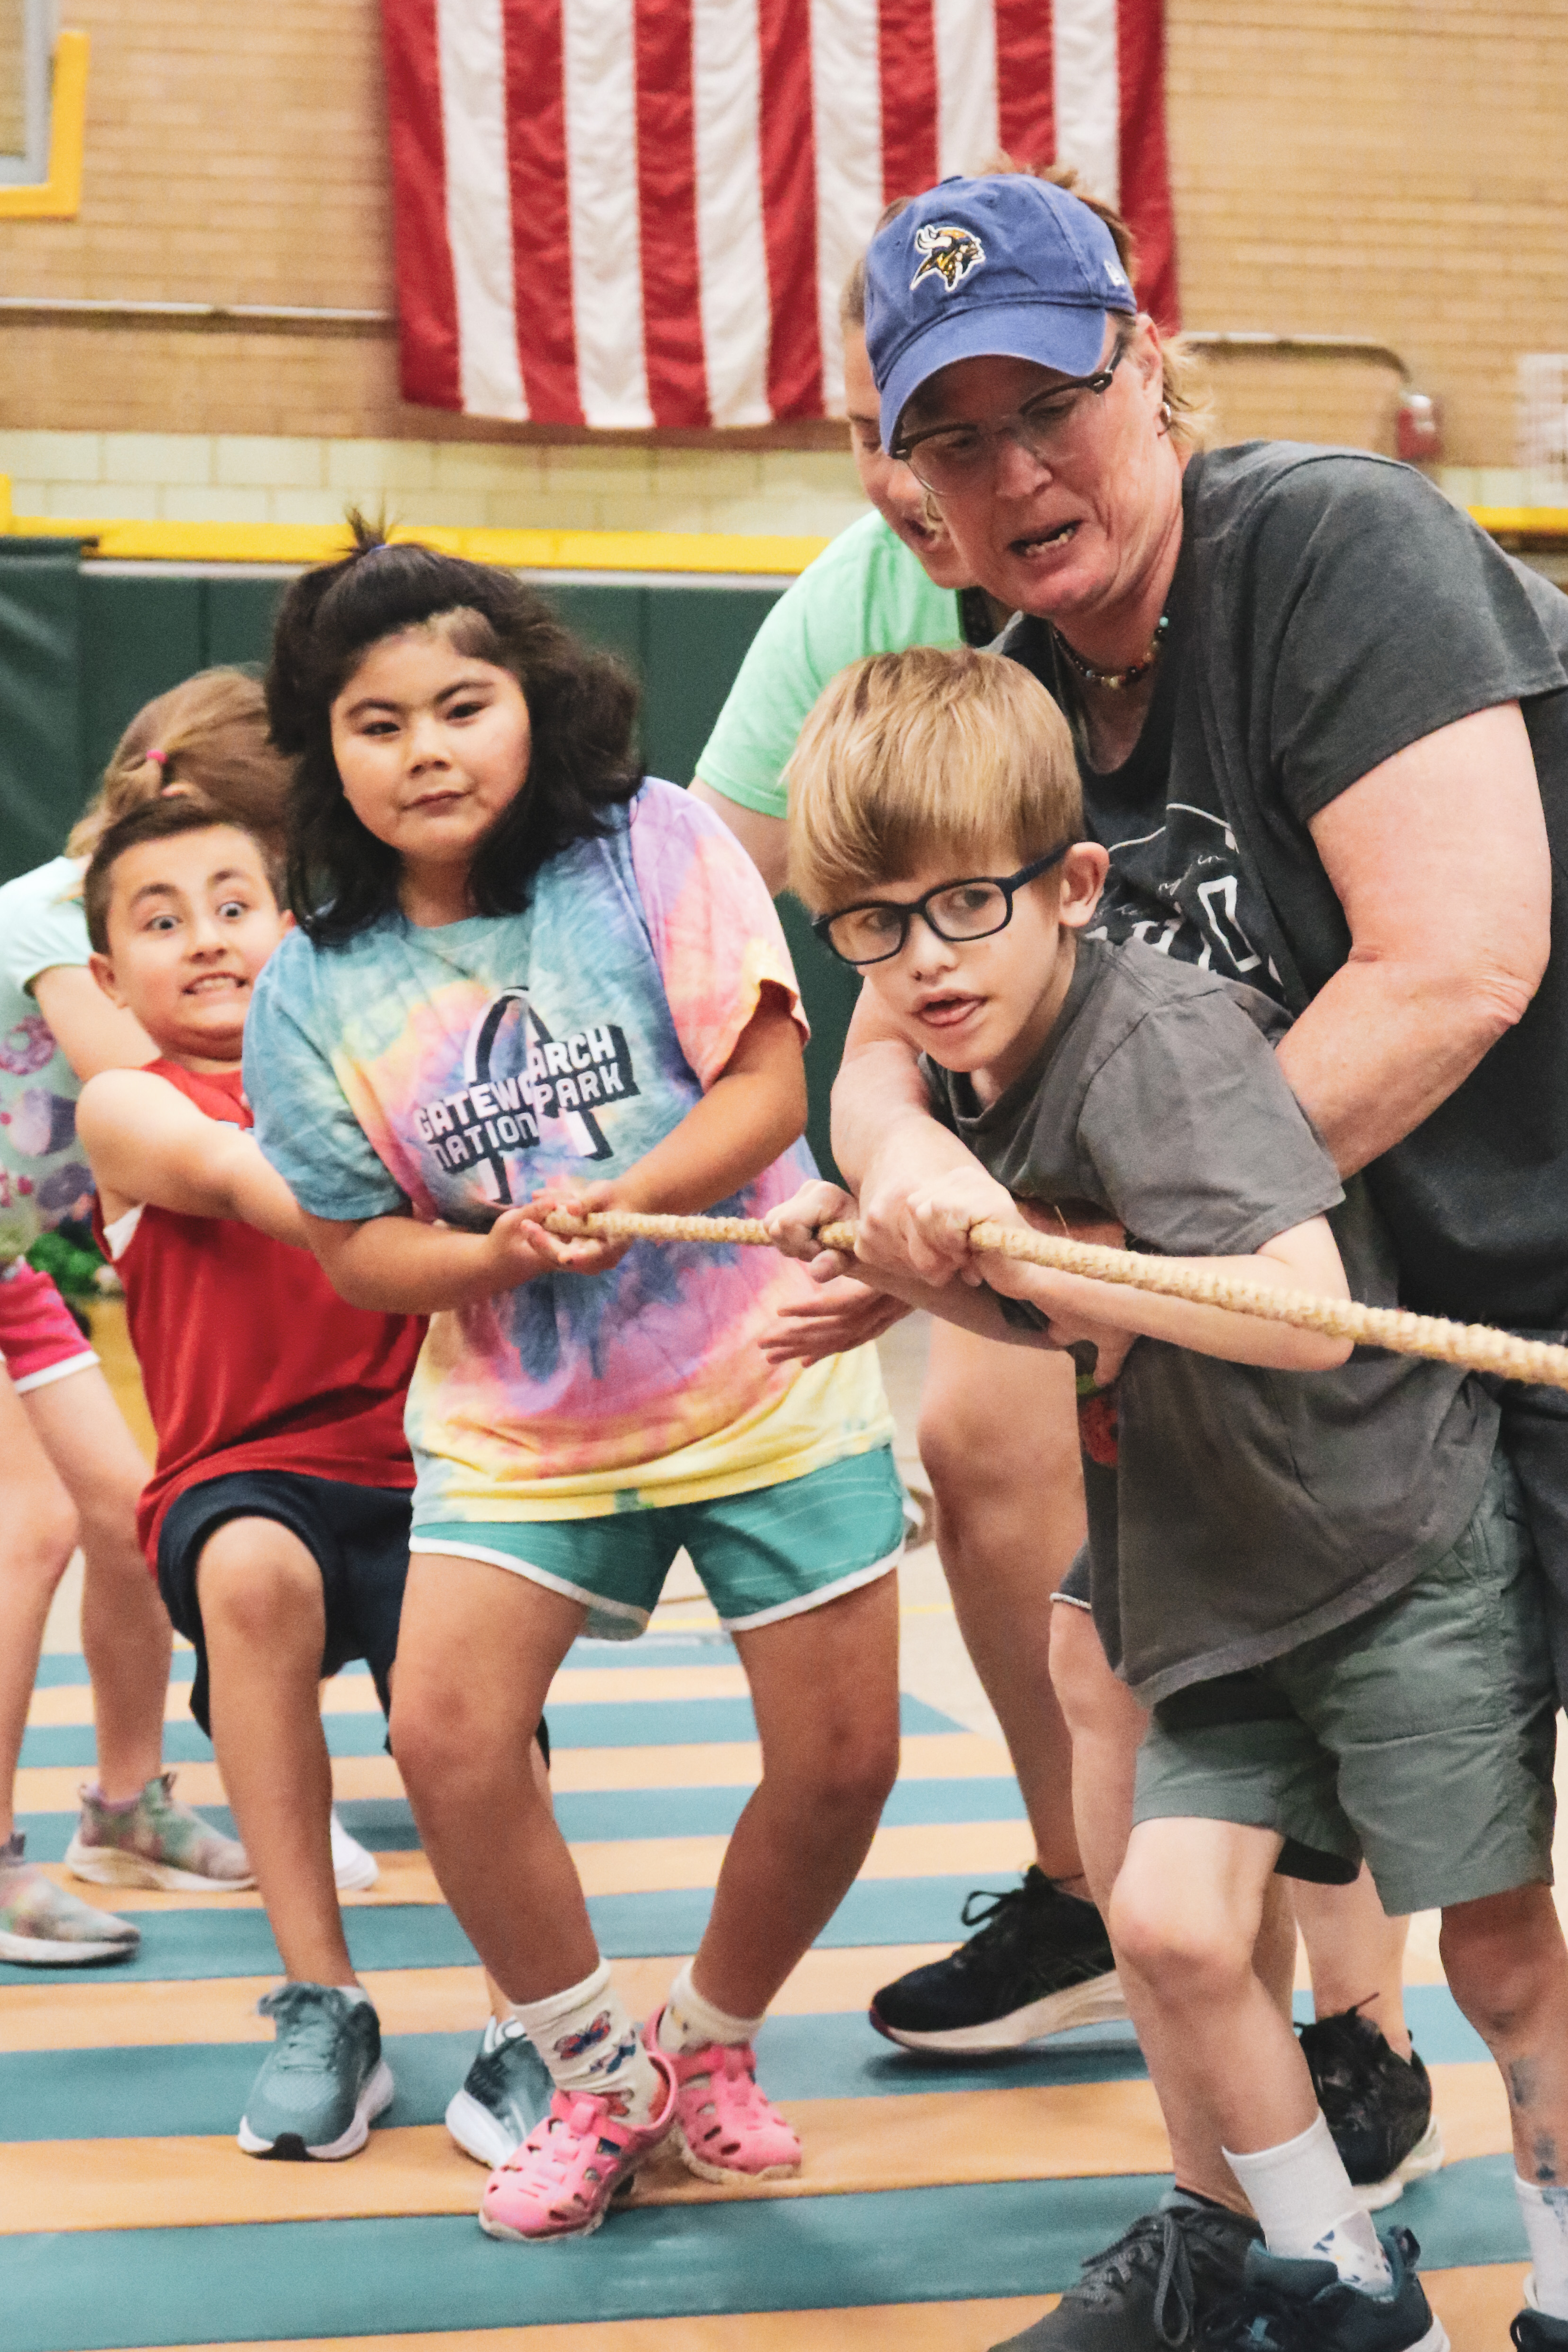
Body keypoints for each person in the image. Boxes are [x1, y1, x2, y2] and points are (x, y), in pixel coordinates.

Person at [827, 167, 1568, 2349]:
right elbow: (877, 1041)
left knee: (1505, 1922)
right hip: (1270, 1389)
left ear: (1151, 368)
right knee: (1133, 1767)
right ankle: (1274, 2245)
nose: (1014, 469)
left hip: (1496, 1316)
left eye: (1046, 402)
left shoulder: (1333, 547)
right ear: (909, 486)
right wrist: (900, 1189)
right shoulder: (1006, 687)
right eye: (950, 438)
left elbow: (1456, 966)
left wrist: (1080, 1262)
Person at [239, 528, 907, 2241]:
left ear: (533, 702)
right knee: (447, 1737)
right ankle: (597, 2077)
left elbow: (770, 1075)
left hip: (759, 1363)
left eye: (463, 704)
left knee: (841, 1758)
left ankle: (716, 2044)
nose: (428, 749)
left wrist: (628, 1198)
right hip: (520, 1417)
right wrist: (490, 1258)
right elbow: (355, 1244)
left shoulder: (653, 844)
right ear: (326, 753)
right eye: (376, 724)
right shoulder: (312, 980)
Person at [692, 186, 1120, 2055]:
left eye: (1034, 410)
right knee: (988, 1443)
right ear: (874, 456)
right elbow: (715, 882)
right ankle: (1085, 1880)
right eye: (928, 435)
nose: (971, 471)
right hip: (1003, 1126)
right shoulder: (852, 598)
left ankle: (1330, 1985)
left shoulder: (1179, 564)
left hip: (1236, 1105)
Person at [74, 797, 428, 2157]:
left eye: (236, 904)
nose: (206, 939)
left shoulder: (375, 1068)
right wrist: (446, 1208)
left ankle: (538, 2010)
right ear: (110, 977)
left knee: (468, 1691)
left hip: (419, 1474)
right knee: (252, 1571)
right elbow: (252, 1179)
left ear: (293, 927)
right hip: (241, 1474)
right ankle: (324, 1999)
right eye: (160, 921)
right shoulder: (129, 1104)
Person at [0, 675, 298, 1965]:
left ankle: (125, 1808)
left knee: (134, 1519)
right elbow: (149, 1080)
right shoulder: (54, 922)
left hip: (21, 1254)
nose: (221, 930)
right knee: (30, 1527)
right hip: (19, 1240)